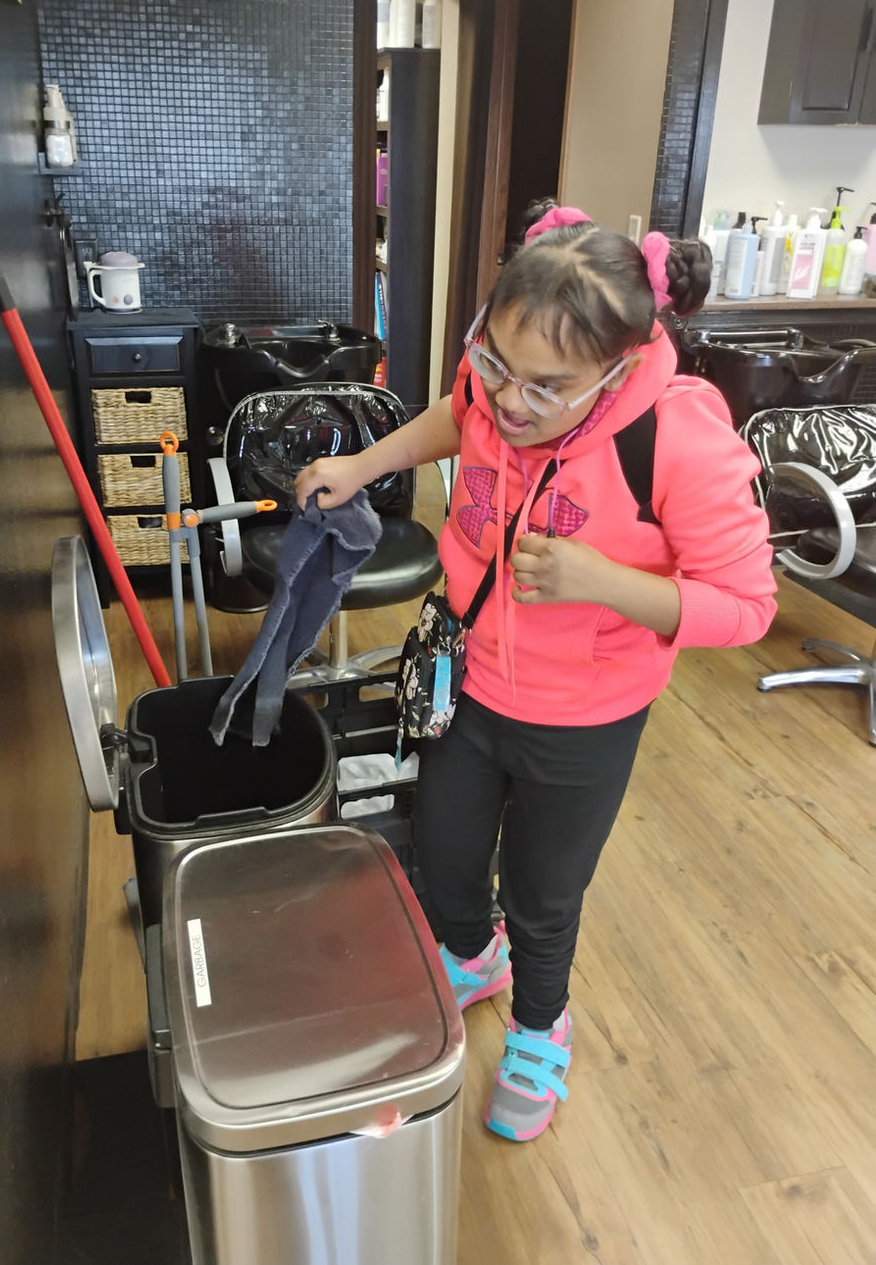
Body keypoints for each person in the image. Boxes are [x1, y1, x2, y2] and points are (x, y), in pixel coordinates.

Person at [294, 205, 777, 1143]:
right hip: (468, 682)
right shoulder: (498, 387)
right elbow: (455, 416)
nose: (511, 403)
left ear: (623, 365)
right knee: (446, 853)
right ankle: (473, 958)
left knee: (544, 897)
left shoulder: (677, 436)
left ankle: (539, 1024)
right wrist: (362, 465)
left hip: (586, 718)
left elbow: (747, 605)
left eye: (547, 387)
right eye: (497, 363)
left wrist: (612, 584)